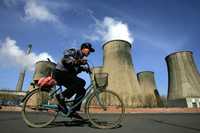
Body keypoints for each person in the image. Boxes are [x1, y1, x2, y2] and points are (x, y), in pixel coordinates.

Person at [53, 42, 95, 120]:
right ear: (83, 48)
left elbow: (76, 67)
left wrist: (85, 68)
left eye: (90, 51)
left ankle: (73, 110)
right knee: (80, 82)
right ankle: (60, 96)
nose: (89, 52)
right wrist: (79, 61)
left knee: (82, 90)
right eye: (88, 49)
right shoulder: (75, 51)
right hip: (59, 73)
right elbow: (66, 58)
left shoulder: (81, 58)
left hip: (66, 75)